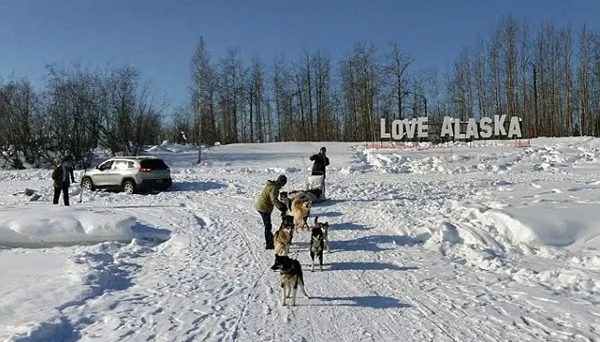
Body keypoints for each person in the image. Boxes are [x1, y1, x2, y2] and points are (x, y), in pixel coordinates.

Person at [255, 175, 288, 249]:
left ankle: (270, 239)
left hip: (262, 206)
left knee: (268, 225)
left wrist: (281, 205)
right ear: (282, 183)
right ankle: (269, 244)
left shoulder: (273, 185)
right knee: (268, 226)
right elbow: (274, 200)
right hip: (263, 208)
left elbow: (274, 199)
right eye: (283, 184)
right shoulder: (274, 188)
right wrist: (281, 207)